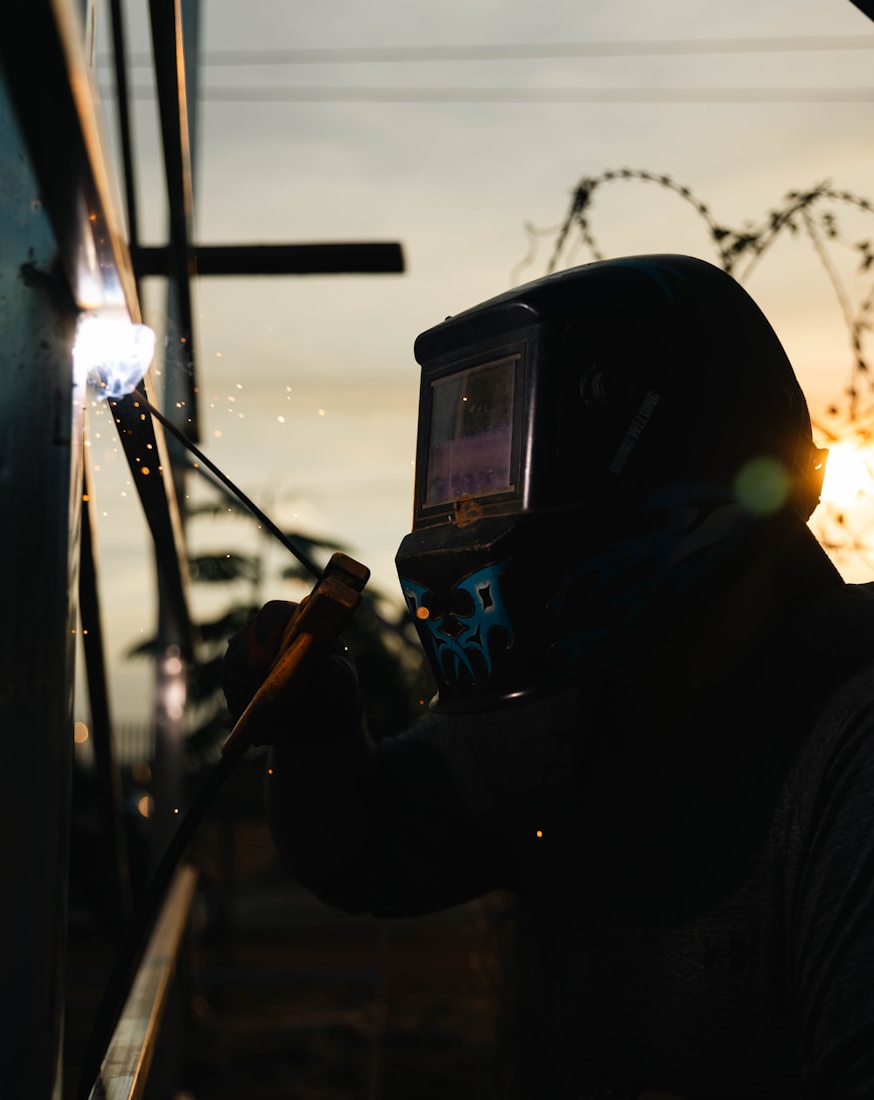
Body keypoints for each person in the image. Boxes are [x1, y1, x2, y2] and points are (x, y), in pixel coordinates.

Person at [221, 254, 874, 1099]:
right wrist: (316, 733)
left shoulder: (852, 745)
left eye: (498, 481)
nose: (468, 519)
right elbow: (365, 854)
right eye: (459, 488)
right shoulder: (576, 706)